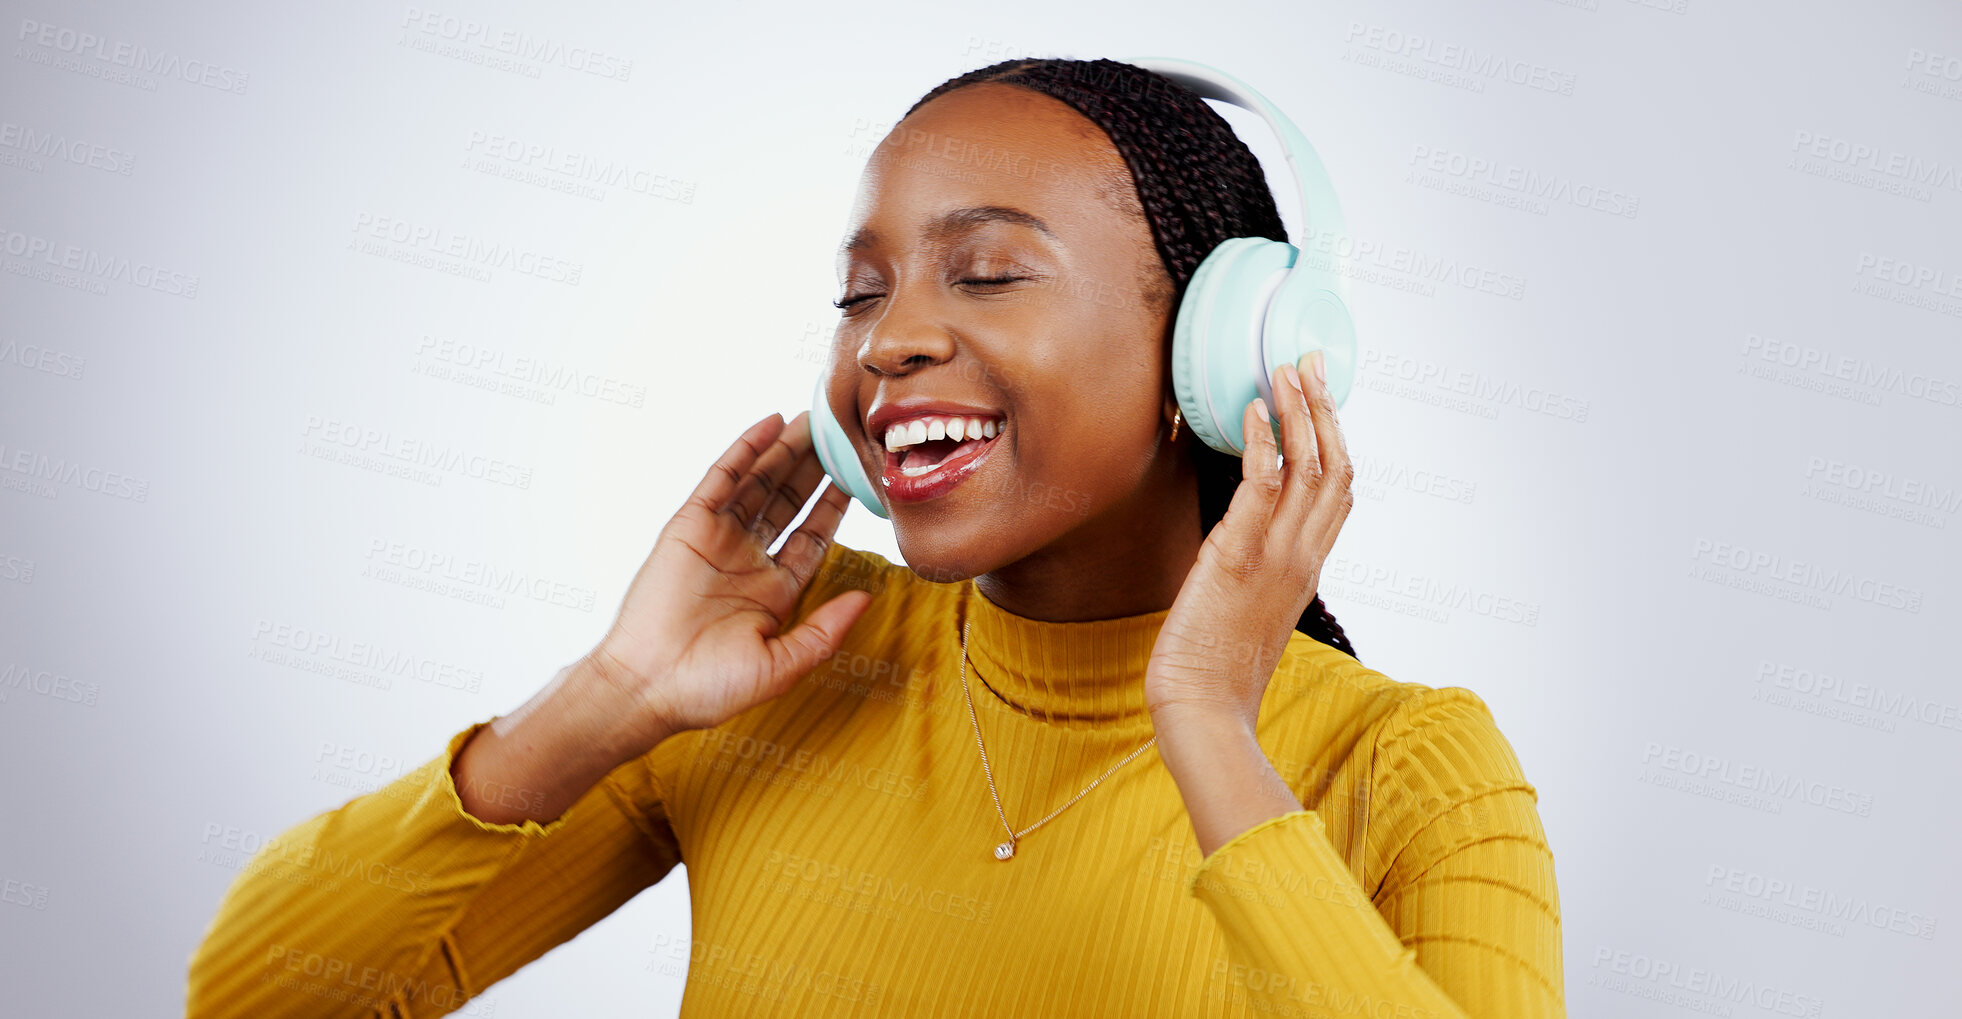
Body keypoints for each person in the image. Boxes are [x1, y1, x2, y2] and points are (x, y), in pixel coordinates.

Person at [187, 58, 1563, 1018]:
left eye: (986, 272)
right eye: (860, 292)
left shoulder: (1410, 767)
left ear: (1225, 352)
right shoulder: (780, 668)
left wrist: (1206, 719)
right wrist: (609, 699)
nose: (889, 339)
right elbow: (247, 1001)